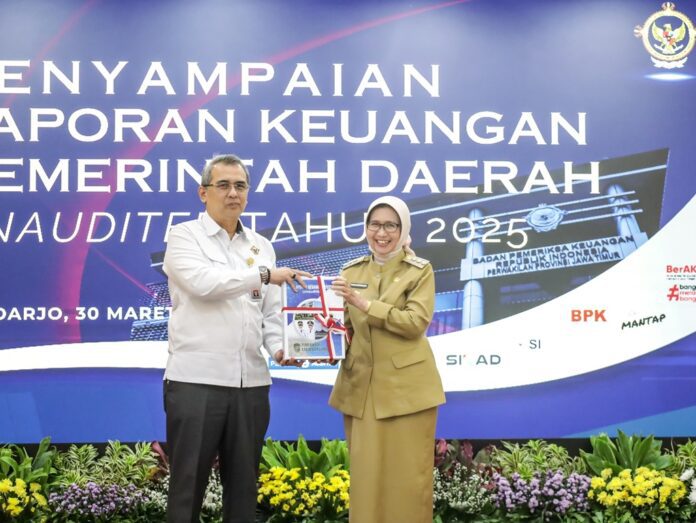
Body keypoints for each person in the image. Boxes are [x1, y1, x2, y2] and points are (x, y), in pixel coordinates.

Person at [162, 154, 311, 523]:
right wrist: (263, 275)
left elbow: (270, 314)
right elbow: (205, 284)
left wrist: (280, 348)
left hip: (252, 384)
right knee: (187, 489)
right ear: (203, 192)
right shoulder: (183, 236)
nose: (233, 193)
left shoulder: (261, 245)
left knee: (244, 491)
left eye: (240, 186)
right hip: (196, 381)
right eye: (223, 185)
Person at [329, 195, 446, 523]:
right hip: (362, 390)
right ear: (366, 227)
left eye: (391, 225)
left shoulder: (420, 271)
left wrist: (365, 304)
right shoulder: (350, 270)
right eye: (375, 225)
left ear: (403, 228)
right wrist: (311, 343)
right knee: (366, 481)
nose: (382, 233)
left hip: (408, 393)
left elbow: (414, 323)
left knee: (407, 481)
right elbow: (343, 329)